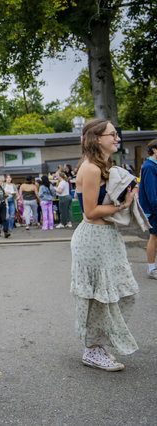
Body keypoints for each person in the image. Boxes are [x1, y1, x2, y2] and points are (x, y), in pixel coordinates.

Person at [71, 118, 138, 371]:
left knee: (124, 292)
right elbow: (90, 212)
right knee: (98, 298)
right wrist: (123, 205)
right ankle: (92, 349)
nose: (117, 138)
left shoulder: (102, 165)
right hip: (92, 239)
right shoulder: (91, 168)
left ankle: (98, 344)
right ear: (97, 138)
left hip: (107, 237)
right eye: (112, 134)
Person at [138, 138, 157, 280]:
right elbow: (152, 192)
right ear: (154, 149)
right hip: (154, 209)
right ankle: (151, 268)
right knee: (154, 237)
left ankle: (152, 267)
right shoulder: (150, 166)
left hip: (153, 208)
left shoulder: (150, 165)